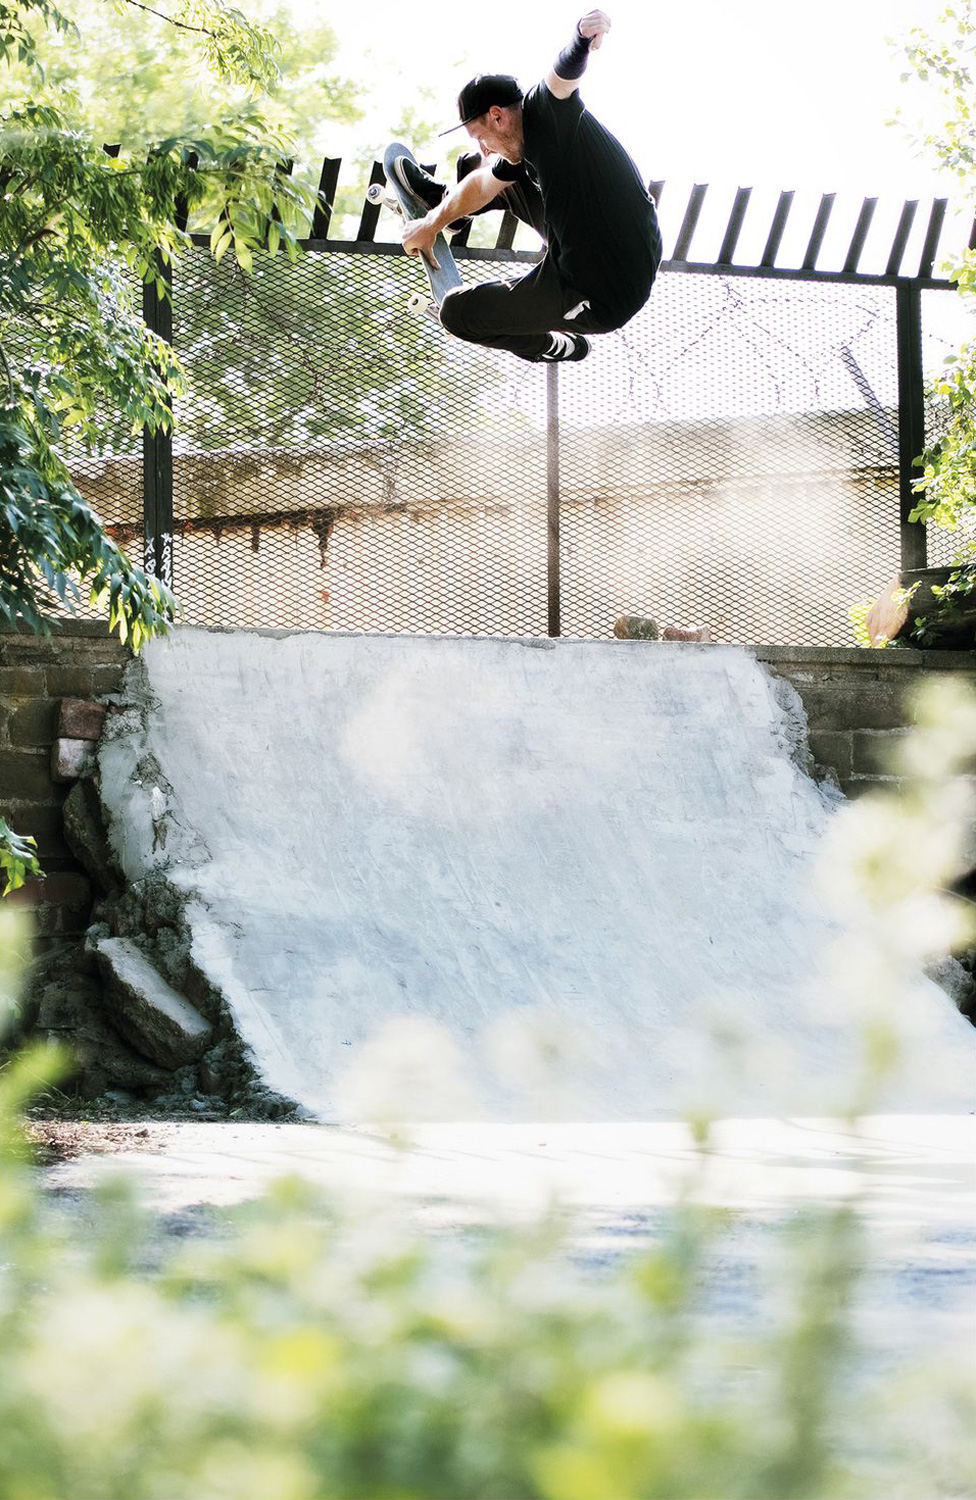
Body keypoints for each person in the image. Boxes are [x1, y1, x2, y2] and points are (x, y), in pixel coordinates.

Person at [393, 11, 662, 364]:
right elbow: (482, 184)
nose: (483, 148)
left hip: (600, 290)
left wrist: (581, 38)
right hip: (584, 251)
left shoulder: (545, 112)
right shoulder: (521, 147)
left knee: (456, 313)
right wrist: (433, 223)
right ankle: (445, 209)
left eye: (480, 137)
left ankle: (554, 345)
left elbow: (562, 77)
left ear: (498, 116)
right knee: (490, 176)